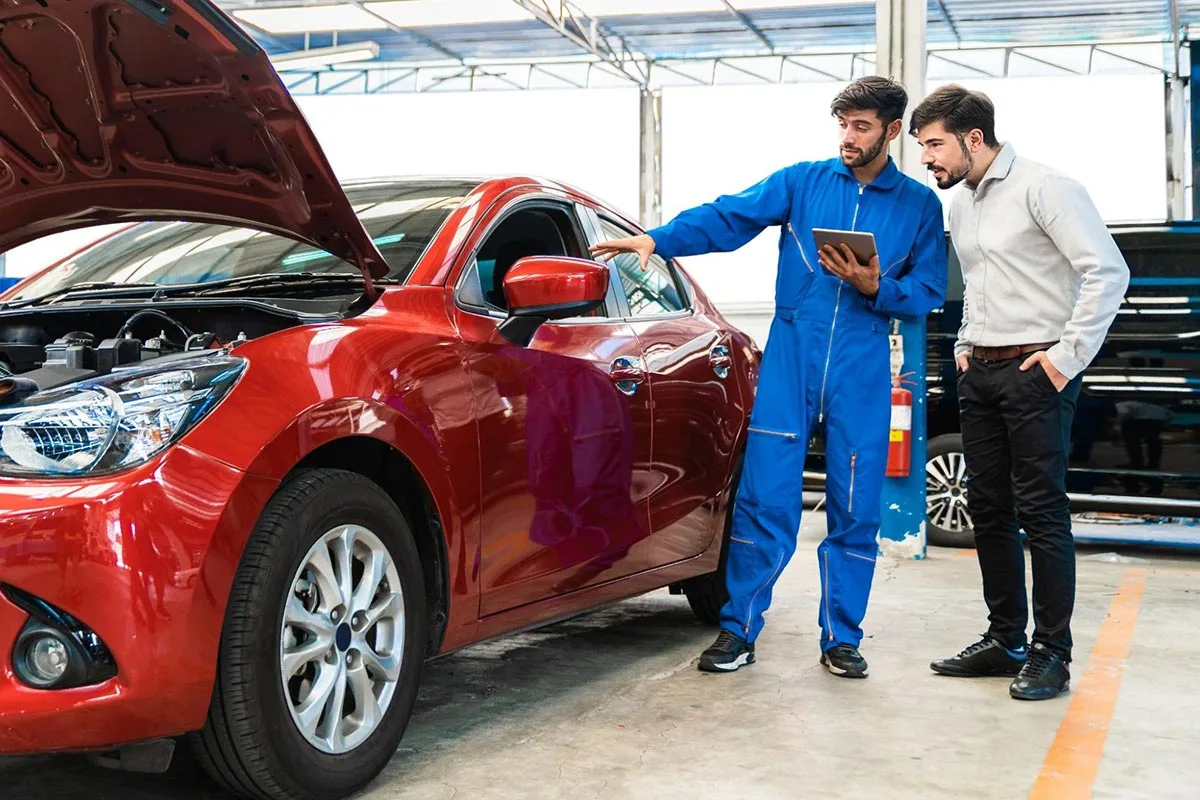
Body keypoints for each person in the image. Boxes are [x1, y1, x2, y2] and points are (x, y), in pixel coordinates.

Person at [590, 77, 947, 678]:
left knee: (856, 506)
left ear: (891, 132)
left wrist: (876, 287)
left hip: (860, 365)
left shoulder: (918, 206)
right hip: (791, 358)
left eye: (862, 127)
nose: (848, 139)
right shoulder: (803, 182)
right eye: (843, 125)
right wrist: (659, 237)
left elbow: (929, 292)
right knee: (764, 497)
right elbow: (731, 216)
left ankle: (841, 638)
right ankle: (739, 630)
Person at [910, 85, 1130, 700]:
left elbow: (1107, 271)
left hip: (1037, 372)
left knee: (1041, 511)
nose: (927, 158)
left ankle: (1051, 653)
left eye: (934, 144)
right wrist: (962, 342)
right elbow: (980, 283)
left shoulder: (1045, 186)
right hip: (979, 370)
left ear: (973, 138)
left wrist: (1065, 359)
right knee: (989, 510)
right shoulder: (964, 205)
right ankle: (1004, 639)